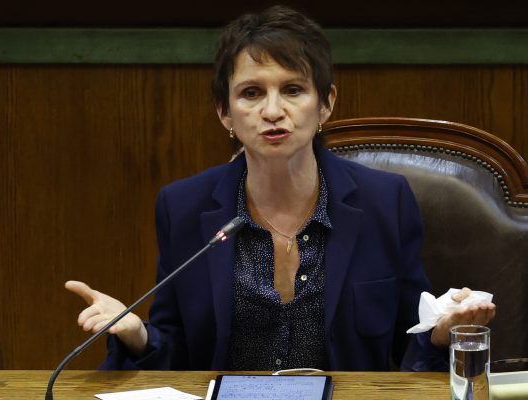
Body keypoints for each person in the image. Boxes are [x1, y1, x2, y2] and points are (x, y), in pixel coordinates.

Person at [66, 5, 496, 371]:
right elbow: (178, 353)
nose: (273, 111)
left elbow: (408, 346)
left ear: (325, 103)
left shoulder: (385, 201)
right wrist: (137, 335)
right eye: (251, 93)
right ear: (225, 113)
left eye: (292, 90)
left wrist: (440, 333)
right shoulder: (183, 206)